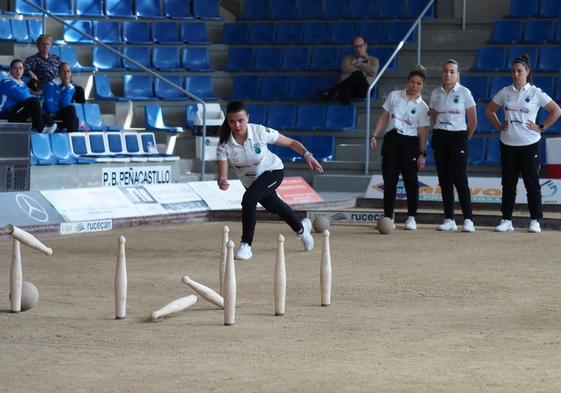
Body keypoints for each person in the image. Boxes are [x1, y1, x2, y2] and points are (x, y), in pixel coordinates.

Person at [217, 101, 324, 260]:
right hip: (251, 183)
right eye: (232, 121)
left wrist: (307, 154)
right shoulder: (224, 143)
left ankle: (246, 245)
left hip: (272, 171)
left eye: (241, 120)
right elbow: (222, 173)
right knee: (276, 207)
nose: (237, 125)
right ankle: (302, 229)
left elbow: (291, 143)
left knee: (248, 200)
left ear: (248, 117)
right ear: (227, 120)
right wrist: (223, 181)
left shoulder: (260, 131)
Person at [486, 54, 561, 233]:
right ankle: (506, 219)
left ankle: (535, 219)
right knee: (508, 184)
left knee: (531, 183)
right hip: (508, 144)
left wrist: (541, 127)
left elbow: (556, 110)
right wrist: (499, 126)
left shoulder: (536, 93)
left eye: (520, 71)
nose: (516, 74)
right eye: (513, 71)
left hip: (529, 144)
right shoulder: (505, 92)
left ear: (527, 72)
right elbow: (489, 110)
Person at [369, 66, 430, 230]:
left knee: (411, 181)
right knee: (390, 180)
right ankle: (388, 217)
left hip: (410, 143)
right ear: (407, 82)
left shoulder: (423, 107)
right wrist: (374, 135)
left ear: (422, 86)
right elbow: (384, 117)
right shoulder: (394, 96)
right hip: (391, 140)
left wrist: (422, 153)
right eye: (412, 82)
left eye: (418, 83)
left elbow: (423, 131)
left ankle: (411, 217)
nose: (414, 86)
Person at [429, 59, 477, 232]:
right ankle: (449, 218)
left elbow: (473, 121)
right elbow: (433, 116)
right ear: (442, 73)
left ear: (458, 74)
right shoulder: (435, 93)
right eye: (445, 71)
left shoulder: (465, 92)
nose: (448, 74)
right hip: (441, 137)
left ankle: (468, 219)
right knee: (444, 180)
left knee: (460, 179)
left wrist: (464, 139)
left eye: (452, 71)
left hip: (459, 138)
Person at [24, 34, 85, 103]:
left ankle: (79, 111)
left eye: (47, 44)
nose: (45, 47)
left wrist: (68, 81)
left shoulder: (56, 58)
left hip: (62, 83)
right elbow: (22, 68)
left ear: (50, 45)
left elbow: (65, 69)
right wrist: (31, 73)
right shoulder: (33, 59)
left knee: (79, 90)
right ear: (38, 46)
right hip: (48, 87)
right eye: (42, 44)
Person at [0, 59, 56, 133]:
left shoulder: (22, 84)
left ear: (23, 70)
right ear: (10, 70)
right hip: (6, 114)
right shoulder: (6, 82)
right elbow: (23, 97)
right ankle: (40, 128)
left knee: (36, 105)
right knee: (34, 101)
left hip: (18, 111)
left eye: (20, 68)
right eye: (15, 68)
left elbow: (28, 99)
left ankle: (48, 124)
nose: (18, 71)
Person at [321, 36, 379, 105]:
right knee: (345, 90)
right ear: (353, 47)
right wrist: (365, 70)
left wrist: (358, 64)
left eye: (361, 46)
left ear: (365, 46)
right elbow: (345, 68)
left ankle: (333, 90)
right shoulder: (347, 58)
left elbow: (373, 71)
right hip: (350, 88)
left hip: (364, 89)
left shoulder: (373, 60)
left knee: (358, 74)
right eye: (356, 47)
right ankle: (344, 113)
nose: (358, 49)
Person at [43, 63, 80, 132]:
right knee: (71, 113)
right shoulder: (50, 85)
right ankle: (70, 136)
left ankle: (70, 135)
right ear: (59, 73)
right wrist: (61, 109)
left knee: (74, 116)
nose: (66, 74)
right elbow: (50, 109)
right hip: (50, 116)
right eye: (63, 71)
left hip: (62, 116)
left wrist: (67, 88)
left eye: (68, 71)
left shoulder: (71, 88)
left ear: (71, 73)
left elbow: (65, 105)